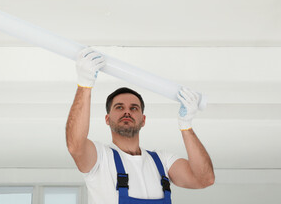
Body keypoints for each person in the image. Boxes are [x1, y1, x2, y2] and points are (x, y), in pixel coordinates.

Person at [66, 47, 215, 204]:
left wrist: (186, 126)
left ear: (143, 120)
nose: (127, 112)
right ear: (107, 119)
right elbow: (75, 145)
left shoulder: (161, 162)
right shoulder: (100, 159)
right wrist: (84, 85)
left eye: (133, 108)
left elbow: (204, 179)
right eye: (119, 107)